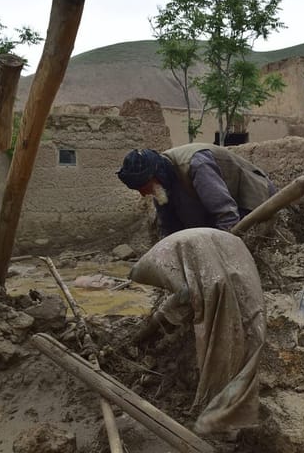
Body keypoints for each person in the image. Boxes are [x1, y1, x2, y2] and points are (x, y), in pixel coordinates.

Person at [129, 227, 266, 435]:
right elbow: (183, 296)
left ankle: (222, 404)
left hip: (211, 258)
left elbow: (185, 294)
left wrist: (148, 331)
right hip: (231, 248)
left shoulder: (154, 264)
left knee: (226, 328)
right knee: (247, 314)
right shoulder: (171, 260)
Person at [116, 143, 276, 236]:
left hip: (254, 197)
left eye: (145, 187)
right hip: (227, 206)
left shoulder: (197, 165)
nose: (144, 193)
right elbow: (169, 229)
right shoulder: (161, 186)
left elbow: (226, 215)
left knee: (244, 237)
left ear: (158, 174)